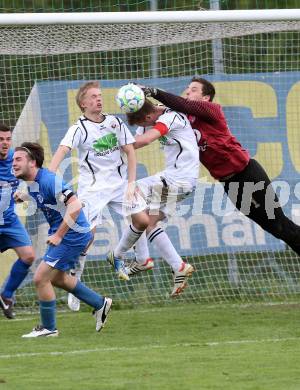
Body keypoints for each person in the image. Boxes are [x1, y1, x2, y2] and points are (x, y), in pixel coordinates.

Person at [141, 77, 300, 254]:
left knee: (280, 222)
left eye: (194, 89)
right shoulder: (182, 119)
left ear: (206, 98)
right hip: (229, 184)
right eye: (188, 88)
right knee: (275, 229)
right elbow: (159, 110)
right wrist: (139, 98)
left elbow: (183, 105)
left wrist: (154, 91)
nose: (187, 91)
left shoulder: (212, 110)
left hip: (248, 173)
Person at [49, 81, 149, 311]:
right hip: (92, 189)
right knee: (87, 237)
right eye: (93, 96)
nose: (99, 99)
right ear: (83, 103)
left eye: (100, 95)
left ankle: (117, 255)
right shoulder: (79, 128)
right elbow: (62, 151)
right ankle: (76, 277)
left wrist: (131, 182)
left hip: (119, 185)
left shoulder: (115, 122)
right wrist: (49, 178)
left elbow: (130, 151)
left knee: (143, 220)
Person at [13, 142, 112, 337]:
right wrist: (26, 197)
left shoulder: (50, 180)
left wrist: (59, 234)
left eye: (18, 159)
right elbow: (49, 201)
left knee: (40, 278)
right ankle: (100, 303)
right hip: (69, 234)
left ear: (32, 163)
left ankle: (49, 328)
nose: (14, 163)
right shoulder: (33, 183)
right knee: (57, 278)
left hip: (72, 235)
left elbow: (75, 206)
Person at [125, 99, 200, 296]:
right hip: (179, 182)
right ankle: (179, 266)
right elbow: (136, 141)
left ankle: (142, 259)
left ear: (149, 117)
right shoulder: (150, 115)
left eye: (143, 124)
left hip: (178, 179)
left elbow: (144, 140)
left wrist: (106, 146)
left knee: (131, 195)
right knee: (148, 222)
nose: (143, 128)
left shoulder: (171, 117)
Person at [0, 123, 36, 319]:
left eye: (7, 139)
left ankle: (6, 296)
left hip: (10, 221)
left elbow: (33, 179)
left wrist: (25, 193)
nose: (5, 143)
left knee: (28, 256)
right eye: (0, 139)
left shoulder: (17, 159)